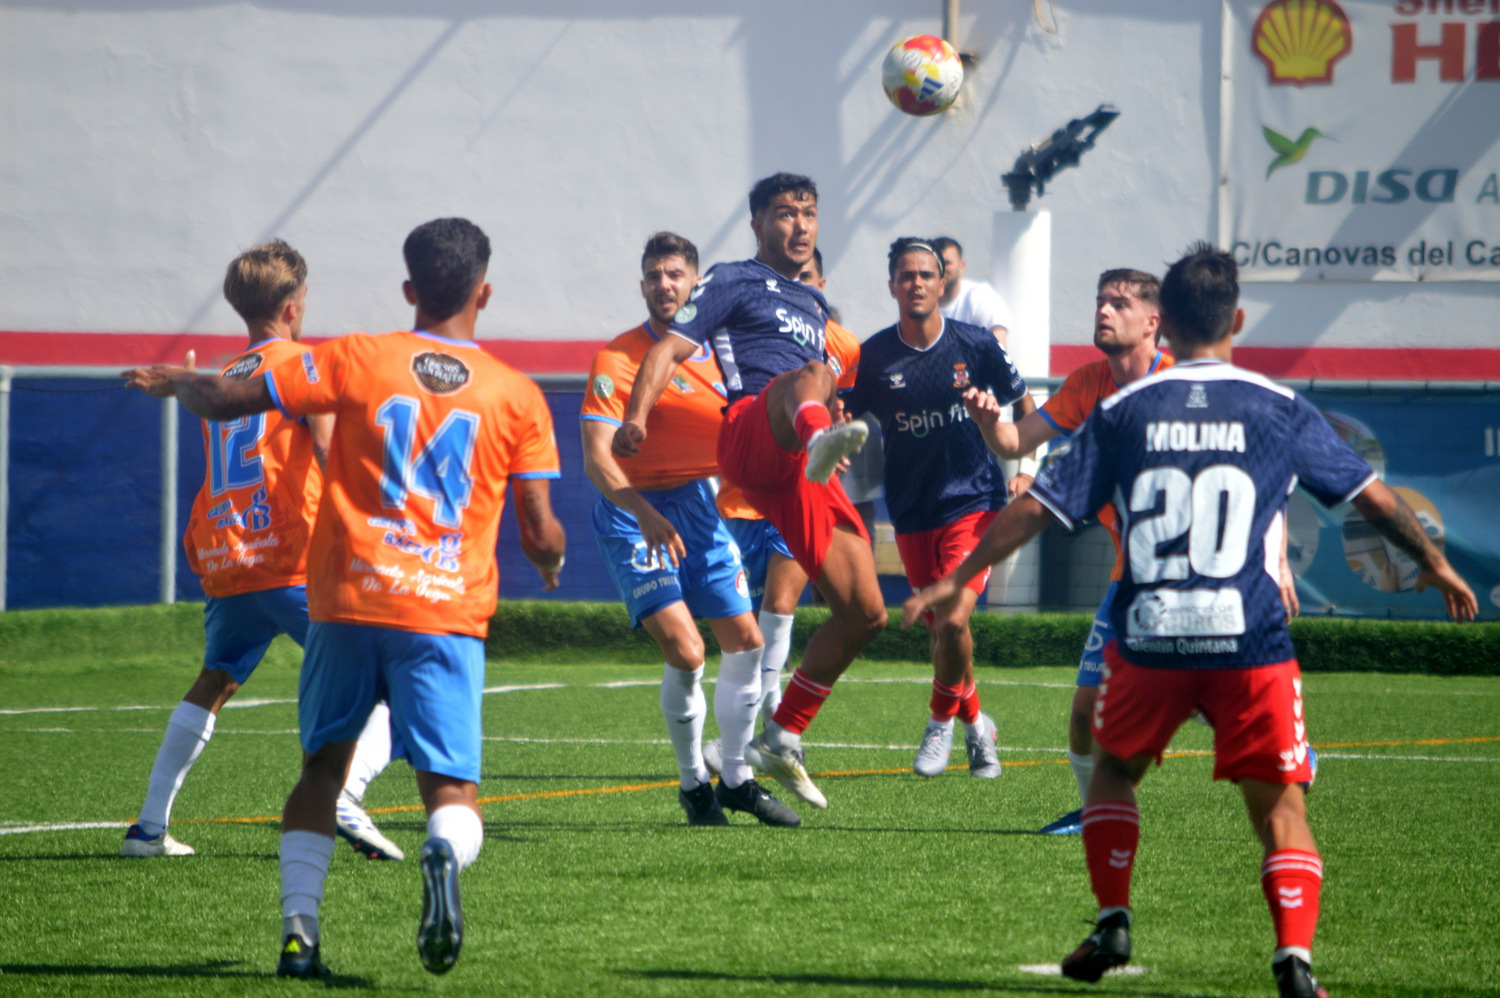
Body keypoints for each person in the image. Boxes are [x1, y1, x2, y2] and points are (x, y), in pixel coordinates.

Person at [903, 242, 1478, 998]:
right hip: (1250, 639)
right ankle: (1294, 960)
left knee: (1112, 771)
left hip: (1152, 632)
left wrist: (957, 578)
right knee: (1280, 805)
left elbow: (1036, 507)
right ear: (1236, 321)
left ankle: (1113, 916)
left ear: (1164, 325)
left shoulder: (1123, 412)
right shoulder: (1277, 406)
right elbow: (1369, 497)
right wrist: (1434, 562)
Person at [124, 218, 567, 979]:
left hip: (340, 596)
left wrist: (177, 384)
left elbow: (228, 398)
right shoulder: (518, 395)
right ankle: (440, 848)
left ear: (409, 289)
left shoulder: (356, 356)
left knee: (317, 772)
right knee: (451, 790)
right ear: (485, 292)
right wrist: (550, 560)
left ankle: (299, 936)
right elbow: (539, 529)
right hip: (439, 610)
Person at [119, 240, 402, 864]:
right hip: (294, 560)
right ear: (293, 307)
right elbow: (325, 449)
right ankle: (345, 795)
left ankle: (147, 828)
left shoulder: (222, 379)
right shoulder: (303, 364)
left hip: (230, 560)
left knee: (215, 681)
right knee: (392, 680)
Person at [613, 173, 883, 810]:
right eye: (786, 213)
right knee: (808, 374)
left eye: (809, 213)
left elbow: (827, 384)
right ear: (758, 223)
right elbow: (667, 350)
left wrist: (832, 416)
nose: (800, 225)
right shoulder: (732, 279)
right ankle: (816, 438)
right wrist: (636, 417)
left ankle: (782, 734)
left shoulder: (815, 305)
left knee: (865, 612)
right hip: (749, 434)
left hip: (799, 463)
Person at [580, 231, 797, 828]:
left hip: (698, 506)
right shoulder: (617, 360)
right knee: (687, 648)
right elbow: (596, 459)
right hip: (633, 511)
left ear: (696, 284)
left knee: (747, 642)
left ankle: (736, 779)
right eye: (654, 275)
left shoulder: (723, 354)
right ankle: (693, 785)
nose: (664, 285)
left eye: (675, 274)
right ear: (642, 285)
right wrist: (644, 512)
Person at [964, 268, 1174, 832]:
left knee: (1198, 695)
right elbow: (1015, 440)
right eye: (1101, 300)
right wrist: (989, 421)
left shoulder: (1181, 386)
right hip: (1128, 579)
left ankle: (1285, 743)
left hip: (1188, 578)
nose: (1104, 310)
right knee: (1084, 713)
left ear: (1152, 322)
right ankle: (1095, 812)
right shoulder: (1088, 383)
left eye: (1120, 303)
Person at [846, 238, 1030, 779]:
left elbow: (1024, 403)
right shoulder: (874, 357)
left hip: (974, 503)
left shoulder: (976, 344)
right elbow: (844, 416)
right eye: (906, 276)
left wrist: (1026, 466)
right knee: (941, 635)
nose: (917, 283)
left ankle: (938, 723)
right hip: (910, 512)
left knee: (951, 620)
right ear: (892, 286)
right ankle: (977, 726)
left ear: (943, 283)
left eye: (926, 274)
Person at [705, 245, 862, 755]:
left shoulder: (843, 345)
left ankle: (765, 720)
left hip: (799, 483)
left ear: (821, 284)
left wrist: (831, 433)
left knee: (780, 604)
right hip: (744, 493)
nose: (801, 287)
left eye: (810, 278)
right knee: (748, 622)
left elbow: (839, 401)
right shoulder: (751, 321)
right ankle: (748, 729)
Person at [932, 237, 1012, 347]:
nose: (942, 269)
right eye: (937, 264)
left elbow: (998, 348)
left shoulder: (981, 297)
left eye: (947, 263)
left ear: (961, 267)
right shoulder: (920, 301)